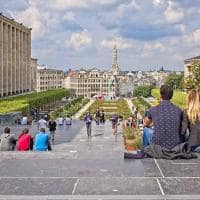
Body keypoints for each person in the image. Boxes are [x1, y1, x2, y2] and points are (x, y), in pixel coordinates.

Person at [144, 85, 182, 149]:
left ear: (160, 95)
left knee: (146, 130)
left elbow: (146, 124)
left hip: (158, 145)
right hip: (175, 144)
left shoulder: (153, 109)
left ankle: (145, 149)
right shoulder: (178, 110)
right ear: (172, 96)